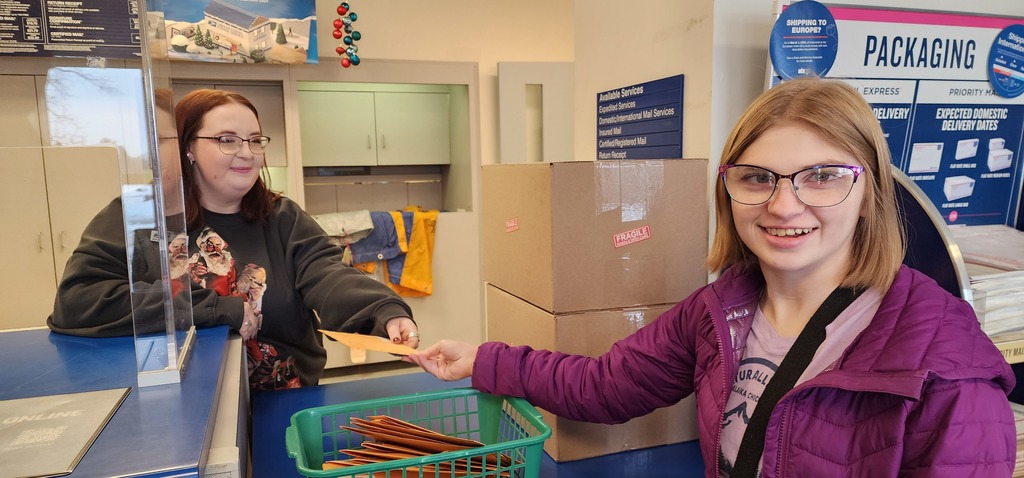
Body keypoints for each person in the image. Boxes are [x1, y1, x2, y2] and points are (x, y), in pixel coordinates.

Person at [406, 77, 1016, 476]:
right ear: (728, 191)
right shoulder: (721, 309)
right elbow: (604, 386)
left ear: (870, 192)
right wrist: (481, 360)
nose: (783, 205)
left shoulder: (947, 373)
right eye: (756, 178)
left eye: (822, 176)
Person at [49, 88, 420, 391]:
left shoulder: (282, 217)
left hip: (281, 400)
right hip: (176, 402)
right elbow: (79, 301)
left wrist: (382, 311)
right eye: (227, 139)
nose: (246, 152)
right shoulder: (139, 215)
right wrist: (212, 310)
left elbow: (326, 273)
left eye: (255, 140)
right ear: (187, 147)